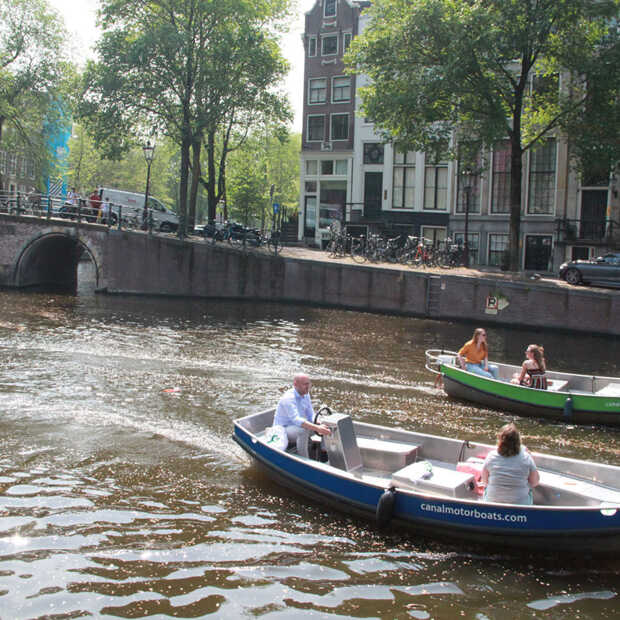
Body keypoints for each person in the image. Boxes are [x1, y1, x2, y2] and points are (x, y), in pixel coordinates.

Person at [481, 422, 540, 505]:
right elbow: (535, 482)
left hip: (492, 502)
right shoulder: (526, 457)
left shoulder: (491, 456)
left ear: (500, 440)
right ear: (518, 441)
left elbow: (484, 481)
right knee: (529, 491)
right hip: (520, 504)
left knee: (486, 490)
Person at [273, 373, 331, 456]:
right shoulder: (288, 398)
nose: (308, 387)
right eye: (305, 384)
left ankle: (324, 451)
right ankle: (304, 458)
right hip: (283, 430)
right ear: (295, 384)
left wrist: (320, 422)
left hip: (295, 427)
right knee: (303, 430)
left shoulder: (306, 394)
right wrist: (318, 428)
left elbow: (310, 415)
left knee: (327, 423)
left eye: (309, 384)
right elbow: (296, 420)